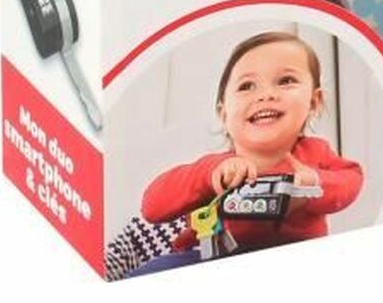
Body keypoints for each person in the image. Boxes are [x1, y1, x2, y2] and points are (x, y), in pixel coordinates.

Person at [141, 31, 363, 252]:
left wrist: (315, 183)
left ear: (314, 102)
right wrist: (206, 178)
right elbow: (151, 208)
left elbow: (351, 179)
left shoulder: (315, 153)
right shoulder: (217, 169)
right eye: (246, 86)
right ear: (224, 113)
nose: (265, 95)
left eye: (286, 81)